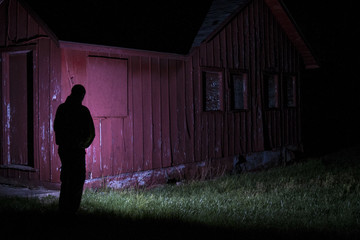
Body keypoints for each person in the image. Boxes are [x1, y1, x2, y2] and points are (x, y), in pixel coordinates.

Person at [54, 84, 95, 215]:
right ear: (82, 95)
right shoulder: (83, 111)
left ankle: (63, 209)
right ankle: (72, 209)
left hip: (64, 149)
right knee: (77, 179)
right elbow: (91, 133)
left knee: (66, 178)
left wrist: (62, 141)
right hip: (76, 151)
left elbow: (56, 127)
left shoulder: (62, 108)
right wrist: (83, 145)